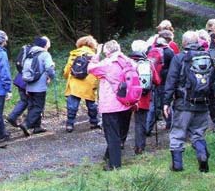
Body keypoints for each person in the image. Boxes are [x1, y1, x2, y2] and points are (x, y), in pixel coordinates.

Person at [163, 30, 215, 173]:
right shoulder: (207, 57)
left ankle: (177, 165)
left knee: (178, 133)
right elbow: (213, 83)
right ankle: (202, 155)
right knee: (198, 133)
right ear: (197, 42)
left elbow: (171, 80)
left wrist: (166, 102)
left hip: (183, 104)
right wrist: (212, 104)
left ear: (184, 43)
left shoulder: (179, 58)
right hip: (203, 103)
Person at [88, 40, 134, 170]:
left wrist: (96, 55)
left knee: (112, 134)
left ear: (107, 51)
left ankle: (114, 165)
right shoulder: (128, 60)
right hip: (127, 102)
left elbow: (90, 69)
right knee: (120, 131)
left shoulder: (108, 63)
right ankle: (109, 156)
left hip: (111, 104)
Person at [129, 40, 161, 154]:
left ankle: (120, 143)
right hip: (143, 98)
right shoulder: (148, 63)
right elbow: (157, 81)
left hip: (125, 98)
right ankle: (140, 147)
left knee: (122, 121)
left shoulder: (126, 62)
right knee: (140, 122)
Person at [19, 36, 56, 136]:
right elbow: (49, 68)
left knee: (32, 105)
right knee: (38, 107)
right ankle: (26, 124)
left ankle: (37, 127)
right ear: (44, 45)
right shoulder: (45, 54)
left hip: (29, 84)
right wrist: (53, 76)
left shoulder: (30, 53)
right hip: (39, 85)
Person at [63, 35, 99, 133]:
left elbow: (67, 69)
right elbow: (97, 71)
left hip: (75, 82)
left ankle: (70, 124)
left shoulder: (75, 54)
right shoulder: (94, 56)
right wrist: (96, 84)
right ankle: (93, 122)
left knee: (72, 105)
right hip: (89, 82)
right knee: (91, 104)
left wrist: (67, 77)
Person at [5, 43, 31, 128]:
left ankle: (13, 116)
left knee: (23, 101)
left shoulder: (27, 49)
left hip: (20, 79)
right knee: (32, 102)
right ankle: (29, 124)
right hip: (28, 81)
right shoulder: (35, 52)